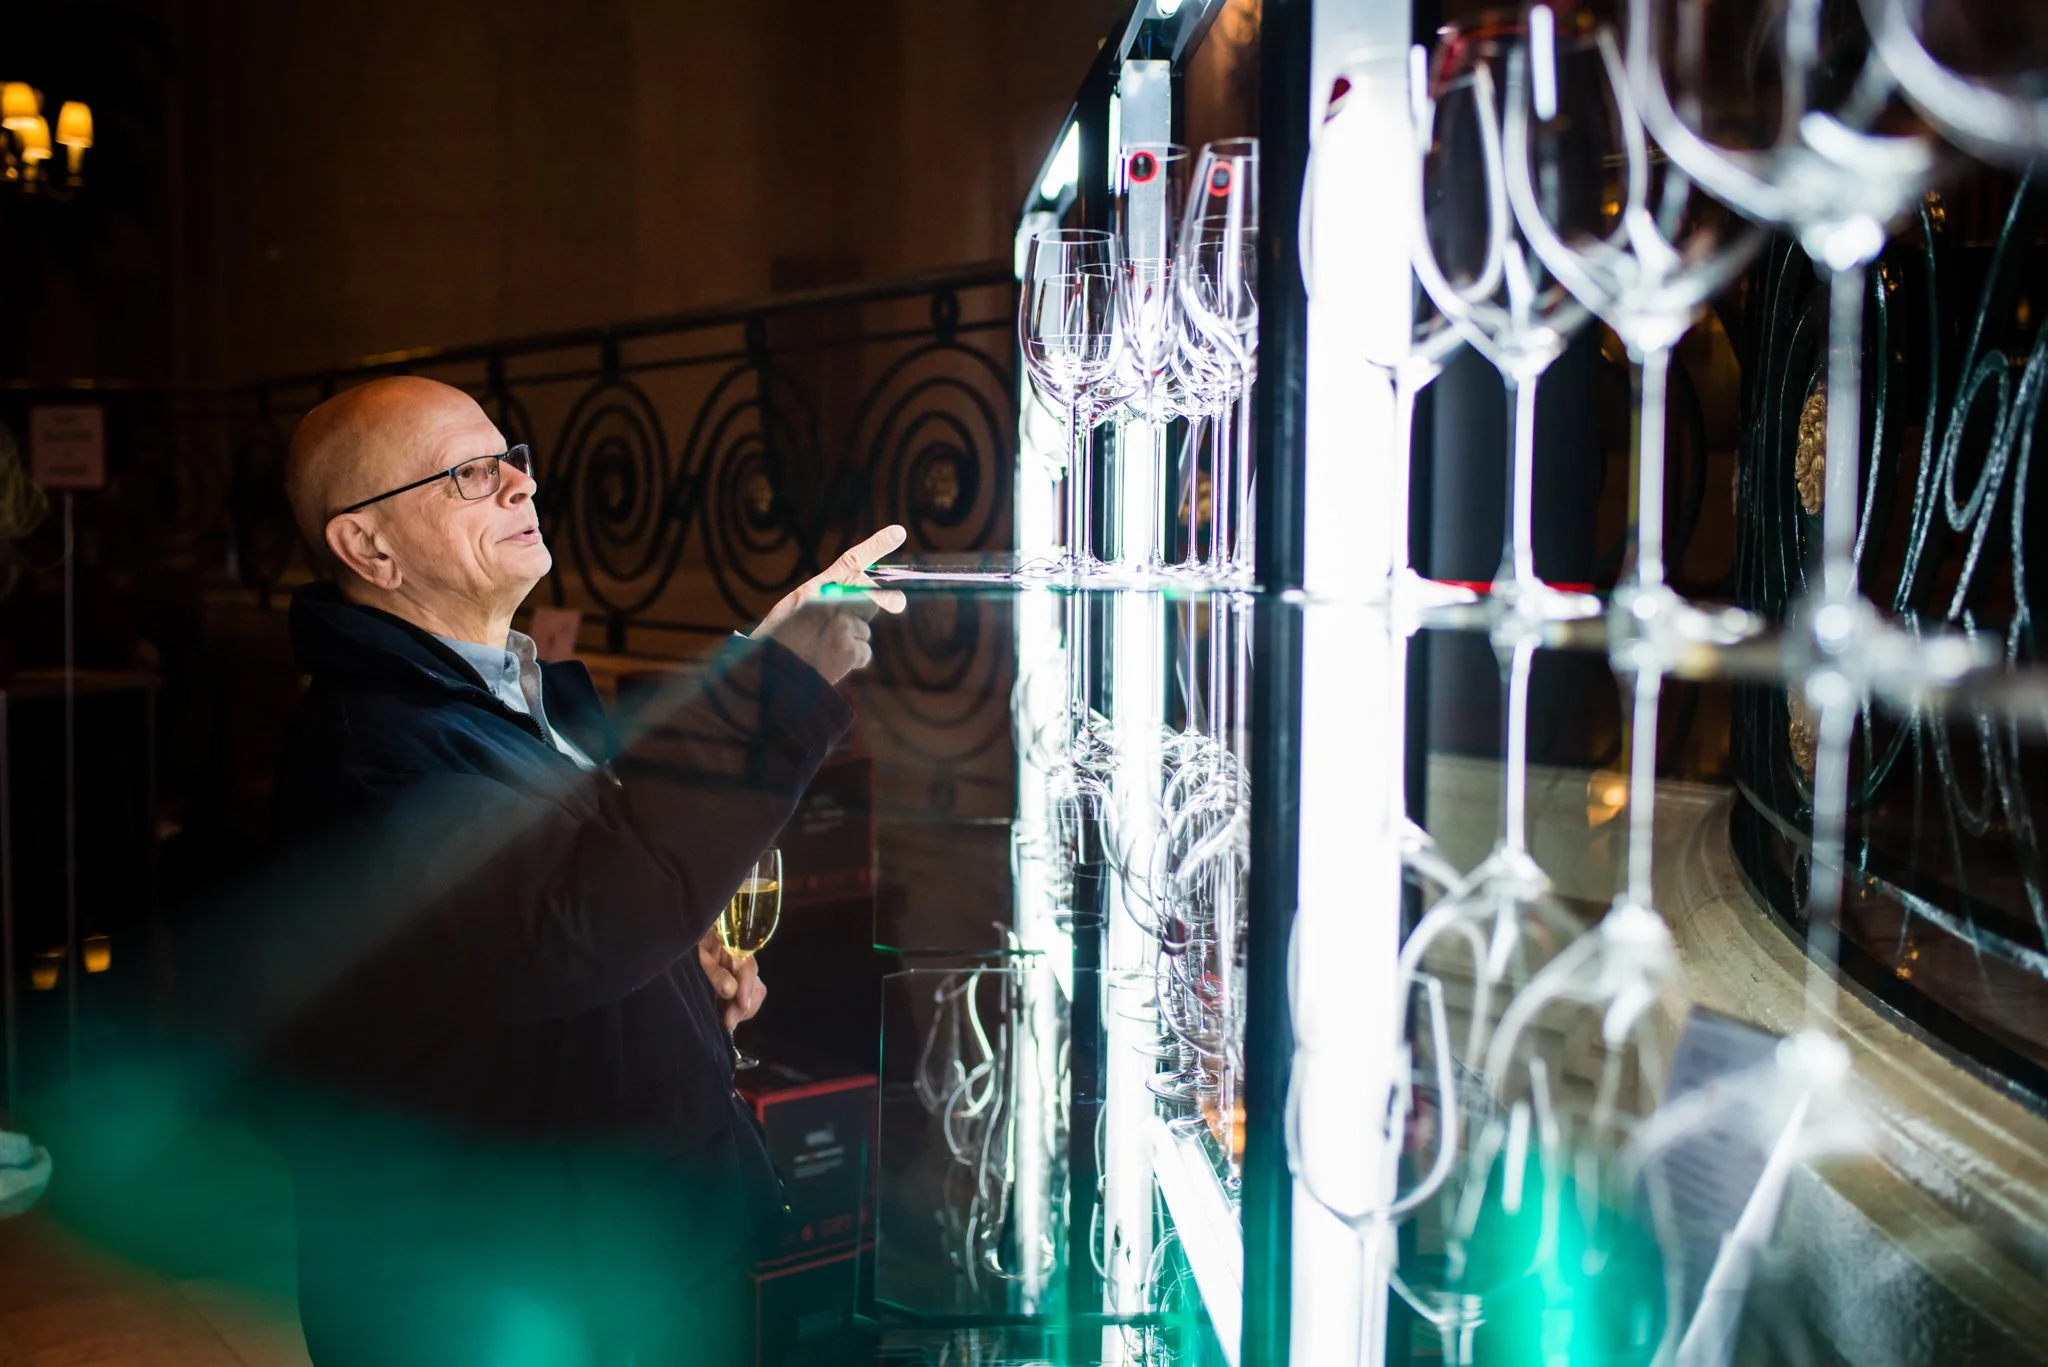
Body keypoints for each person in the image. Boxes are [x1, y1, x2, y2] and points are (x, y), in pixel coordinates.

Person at [243, 375, 902, 1366]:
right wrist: (775, 691)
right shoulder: (371, 751)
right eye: (469, 474)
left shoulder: (513, 698)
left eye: (510, 459)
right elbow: (572, 928)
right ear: (367, 547)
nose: (520, 484)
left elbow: (541, 937)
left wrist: (674, 991)